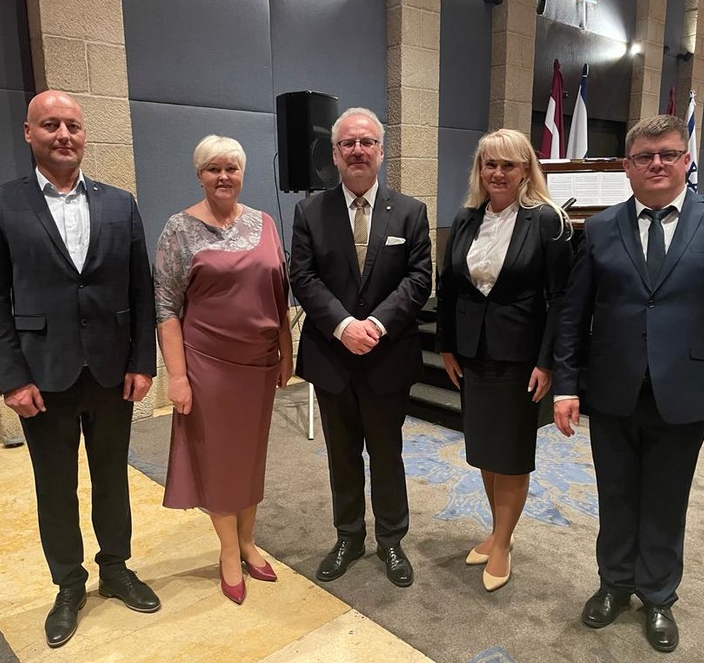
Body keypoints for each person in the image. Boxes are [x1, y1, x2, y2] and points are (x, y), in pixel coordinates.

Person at [553, 115, 704, 652]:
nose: (656, 164)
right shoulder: (599, 228)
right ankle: (613, 584)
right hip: (613, 388)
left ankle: (657, 596)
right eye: (644, 156)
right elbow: (573, 315)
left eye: (668, 154)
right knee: (615, 493)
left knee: (667, 499)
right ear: (627, 166)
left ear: (685, 160)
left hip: (685, 390)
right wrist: (566, 385)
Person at [0, 90, 160, 649]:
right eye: (50, 125)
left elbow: (140, 289)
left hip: (111, 371)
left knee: (113, 478)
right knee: (55, 486)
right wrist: (11, 378)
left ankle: (116, 569)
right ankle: (69, 585)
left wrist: (142, 361)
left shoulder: (119, 203)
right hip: (41, 375)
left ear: (84, 134)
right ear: (28, 133)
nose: (63, 135)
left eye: (72, 125)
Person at [290, 107, 432, 588]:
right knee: (342, 454)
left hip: (387, 356)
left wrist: (375, 324)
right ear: (334, 154)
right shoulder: (310, 212)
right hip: (332, 356)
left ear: (381, 151)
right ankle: (348, 537)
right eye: (347, 143)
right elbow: (303, 277)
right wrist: (344, 326)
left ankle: (391, 540)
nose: (357, 150)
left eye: (366, 142)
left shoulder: (410, 212)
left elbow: (419, 279)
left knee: (387, 454)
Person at [154, 135, 292, 606]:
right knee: (217, 459)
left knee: (250, 456)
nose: (223, 176)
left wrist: (286, 350)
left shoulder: (265, 222)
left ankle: (249, 541)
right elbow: (166, 307)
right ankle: (229, 551)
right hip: (207, 365)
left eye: (231, 168)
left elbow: (279, 292)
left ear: (242, 173)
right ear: (199, 175)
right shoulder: (178, 229)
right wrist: (177, 377)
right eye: (213, 169)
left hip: (260, 364)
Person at [435, 129, 572, 592]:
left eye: (508, 165)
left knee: (511, 455)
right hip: (472, 353)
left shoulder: (547, 221)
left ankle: (503, 542)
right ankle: (498, 532)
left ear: (525, 170)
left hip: (520, 357)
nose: (497, 173)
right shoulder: (466, 218)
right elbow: (448, 287)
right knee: (485, 450)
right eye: (489, 164)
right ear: (479, 169)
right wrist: (446, 345)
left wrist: (547, 361)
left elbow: (561, 299)